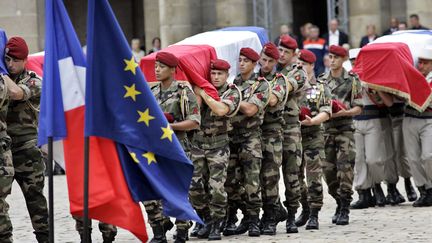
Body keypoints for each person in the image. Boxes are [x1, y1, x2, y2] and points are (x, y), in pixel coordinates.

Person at [145, 51, 201, 243]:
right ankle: (158, 230)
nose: (157, 70)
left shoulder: (184, 93)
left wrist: (170, 127)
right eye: (156, 66)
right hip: (155, 150)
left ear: (172, 69)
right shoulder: (151, 94)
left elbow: (194, 121)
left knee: (179, 192)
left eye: (161, 67)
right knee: (151, 191)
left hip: (178, 149)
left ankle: (182, 230)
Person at [2, 36, 49, 243]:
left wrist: (2, 73)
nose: (11, 64)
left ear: (25, 60)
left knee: (35, 200)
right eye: (7, 60)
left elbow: (16, 93)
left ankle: (45, 238)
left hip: (27, 151)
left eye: (15, 60)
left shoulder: (33, 80)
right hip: (5, 151)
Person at [189, 59, 241, 241]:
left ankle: (217, 223)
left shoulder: (232, 91)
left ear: (227, 75)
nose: (216, 77)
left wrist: (204, 93)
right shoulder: (199, 89)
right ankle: (206, 218)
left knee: (217, 187)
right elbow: (192, 111)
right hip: (198, 144)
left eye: (220, 74)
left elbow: (220, 110)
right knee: (194, 187)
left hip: (218, 145)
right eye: (213, 73)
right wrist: (198, 92)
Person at [224, 47, 270, 237]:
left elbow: (251, 109)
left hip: (250, 138)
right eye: (240, 60)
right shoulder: (233, 83)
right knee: (231, 182)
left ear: (254, 64)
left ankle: (253, 220)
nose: (241, 63)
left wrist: (234, 98)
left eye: (245, 61)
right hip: (232, 137)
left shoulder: (261, 84)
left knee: (252, 182)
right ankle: (238, 214)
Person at [318, 45, 363, 225]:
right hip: (326, 131)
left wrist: (343, 112)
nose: (333, 60)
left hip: (345, 130)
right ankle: (338, 200)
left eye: (336, 57)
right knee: (328, 172)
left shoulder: (352, 80)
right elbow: (314, 102)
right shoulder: (321, 81)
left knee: (345, 170)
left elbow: (359, 107)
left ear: (343, 59)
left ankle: (345, 207)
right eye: (331, 56)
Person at [348, 48, 396, 209]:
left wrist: (373, 86)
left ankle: (377, 184)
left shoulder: (373, 76)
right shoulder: (348, 78)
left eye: (358, 60)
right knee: (359, 159)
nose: (355, 64)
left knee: (374, 159)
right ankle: (363, 193)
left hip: (373, 118)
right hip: (355, 119)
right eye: (353, 61)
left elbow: (387, 103)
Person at [295, 49, 331, 230]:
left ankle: (315, 212)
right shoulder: (291, 84)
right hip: (294, 136)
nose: (299, 67)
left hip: (313, 135)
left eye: (302, 64)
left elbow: (326, 111)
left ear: (310, 66)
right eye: (297, 64)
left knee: (314, 176)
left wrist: (313, 121)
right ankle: (306, 207)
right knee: (295, 177)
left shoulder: (320, 87)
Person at [276, 35, 307, 234]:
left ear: (294, 54)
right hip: (270, 129)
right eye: (280, 50)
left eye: (286, 52)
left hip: (290, 129)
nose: (281, 55)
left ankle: (293, 213)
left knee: (292, 175)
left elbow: (285, 88)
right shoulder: (270, 69)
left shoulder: (297, 72)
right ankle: (275, 210)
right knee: (268, 175)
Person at [258, 43, 288, 235]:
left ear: (276, 62)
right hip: (251, 133)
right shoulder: (249, 78)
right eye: (263, 60)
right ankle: (273, 209)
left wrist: (252, 95)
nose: (266, 64)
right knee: (254, 178)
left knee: (269, 177)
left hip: (271, 133)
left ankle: (271, 216)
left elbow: (272, 100)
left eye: (270, 61)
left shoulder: (279, 80)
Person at [402, 46, 432, 207]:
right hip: (410, 118)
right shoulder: (410, 77)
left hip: (429, 120)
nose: (421, 66)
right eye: (419, 62)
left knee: (428, 156)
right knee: (413, 158)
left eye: (425, 63)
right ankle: (424, 190)